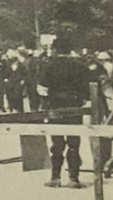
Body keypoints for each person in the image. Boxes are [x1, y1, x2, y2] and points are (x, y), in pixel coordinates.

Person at [36, 37, 94, 188]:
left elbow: (42, 88)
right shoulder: (80, 66)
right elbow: (89, 87)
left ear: (55, 50)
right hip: (75, 107)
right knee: (74, 143)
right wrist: (83, 99)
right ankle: (74, 178)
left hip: (56, 108)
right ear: (69, 51)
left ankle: (55, 178)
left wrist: (47, 102)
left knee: (57, 143)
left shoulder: (49, 66)